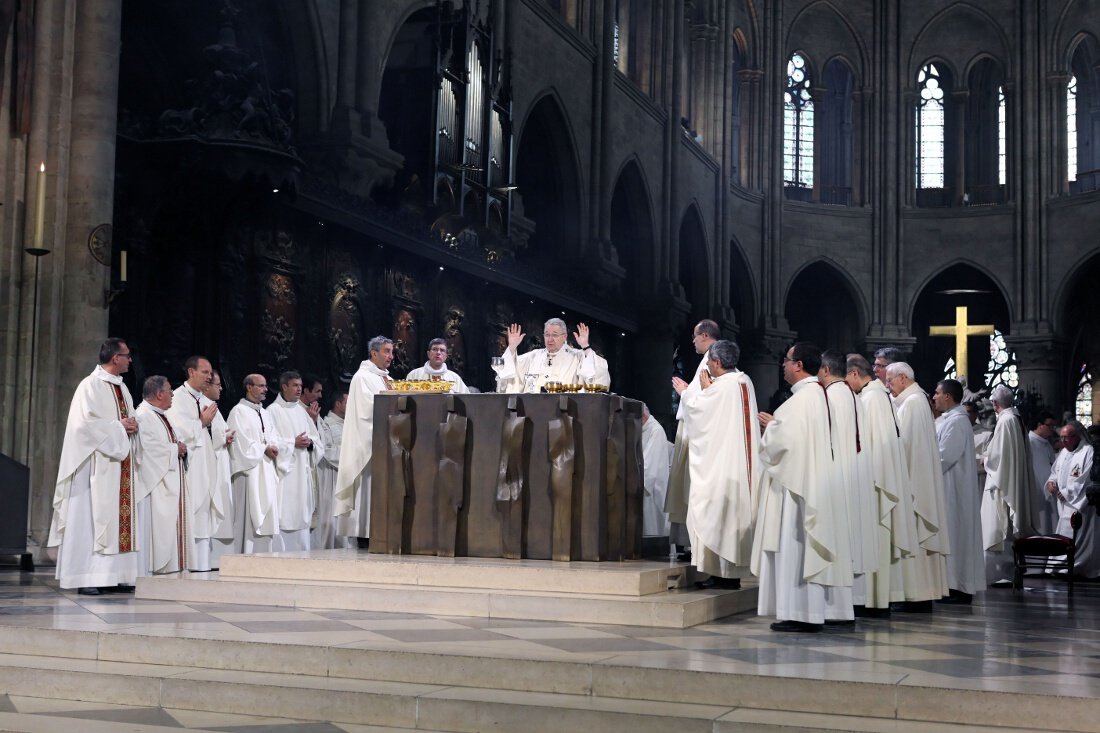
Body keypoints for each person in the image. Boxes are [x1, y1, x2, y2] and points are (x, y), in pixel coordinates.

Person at [753, 342, 852, 633]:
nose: (782, 365)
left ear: (798, 365)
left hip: (798, 491)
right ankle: (805, 611)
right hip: (811, 482)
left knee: (796, 545)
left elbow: (784, 443)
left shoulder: (804, 399)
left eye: (786, 360)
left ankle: (801, 612)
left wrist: (770, 427)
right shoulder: (815, 396)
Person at [48, 338, 141, 595]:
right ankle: (86, 576)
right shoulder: (89, 386)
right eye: (127, 355)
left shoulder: (122, 388)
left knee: (117, 519)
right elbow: (83, 426)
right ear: (115, 358)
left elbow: (129, 419)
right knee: (89, 519)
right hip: (93, 467)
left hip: (118, 465)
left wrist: (132, 426)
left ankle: (115, 574)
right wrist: (119, 427)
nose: (130, 360)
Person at [682, 340, 759, 587]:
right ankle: (728, 575)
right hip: (739, 464)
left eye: (710, 364)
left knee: (717, 514)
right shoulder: (744, 381)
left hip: (722, 464)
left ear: (716, 362)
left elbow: (698, 414)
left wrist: (695, 392)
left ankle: (722, 575)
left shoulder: (719, 388)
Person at [845, 354, 914, 616]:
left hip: (873, 482)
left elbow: (867, 445)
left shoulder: (872, 399)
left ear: (854, 374)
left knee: (873, 539)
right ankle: (873, 598)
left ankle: (871, 600)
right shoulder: (877, 395)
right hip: (876, 478)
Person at [885, 362, 949, 611]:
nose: (888, 386)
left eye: (890, 381)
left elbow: (906, 446)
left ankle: (919, 595)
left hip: (914, 482)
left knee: (916, 535)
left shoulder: (913, 403)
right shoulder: (914, 401)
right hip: (915, 477)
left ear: (903, 378)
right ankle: (918, 594)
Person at [819, 350, 878, 621]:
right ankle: (853, 601)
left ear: (825, 370)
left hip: (836, 479)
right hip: (853, 476)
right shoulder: (853, 396)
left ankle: (836, 608)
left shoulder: (831, 396)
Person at [666, 319, 721, 555]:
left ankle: (693, 543)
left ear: (705, 336)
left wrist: (685, 392)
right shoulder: (707, 360)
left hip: (699, 436)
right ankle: (688, 542)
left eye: (695, 336)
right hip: (693, 429)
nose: (693, 340)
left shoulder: (713, 360)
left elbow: (707, 402)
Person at [335, 336, 395, 545]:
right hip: (367, 446)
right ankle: (364, 535)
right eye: (386, 351)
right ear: (374, 353)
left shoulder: (385, 378)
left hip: (384, 443)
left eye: (391, 352)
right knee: (367, 491)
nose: (391, 356)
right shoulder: (362, 378)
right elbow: (367, 410)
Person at [165, 355, 221, 570]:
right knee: (191, 510)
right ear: (191, 372)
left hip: (206, 463)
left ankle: (202, 563)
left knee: (204, 510)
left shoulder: (207, 401)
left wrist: (219, 433)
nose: (209, 377)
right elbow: (176, 431)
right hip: (190, 465)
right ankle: (187, 561)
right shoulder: (177, 398)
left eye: (210, 373)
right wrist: (201, 423)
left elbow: (216, 431)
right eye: (205, 372)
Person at [931, 379, 984, 604]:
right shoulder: (948, 420)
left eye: (937, 392)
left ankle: (958, 586)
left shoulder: (957, 422)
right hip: (947, 486)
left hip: (953, 488)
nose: (934, 397)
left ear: (948, 396)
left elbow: (945, 456)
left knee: (955, 535)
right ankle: (950, 585)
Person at [134, 376, 192, 574]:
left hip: (167, 479)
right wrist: (175, 449)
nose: (172, 394)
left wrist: (178, 448)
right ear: (159, 394)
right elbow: (147, 450)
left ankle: (169, 564)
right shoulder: (143, 415)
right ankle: (149, 568)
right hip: (154, 485)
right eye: (169, 390)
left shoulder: (159, 414)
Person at [981, 385, 1035, 587]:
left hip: (1000, 484)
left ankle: (998, 575)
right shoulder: (1017, 419)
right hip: (1009, 479)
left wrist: (985, 460)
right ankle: (1008, 573)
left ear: (995, 404)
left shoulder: (1005, 421)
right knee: (1004, 529)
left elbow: (997, 458)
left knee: (997, 527)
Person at [267, 371, 324, 551]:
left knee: (302, 517)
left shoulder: (301, 411)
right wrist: (293, 442)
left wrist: (310, 445)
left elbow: (317, 441)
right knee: (285, 515)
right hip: (286, 475)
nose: (299, 389)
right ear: (284, 387)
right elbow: (270, 443)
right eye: (295, 385)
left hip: (302, 472)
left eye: (300, 385)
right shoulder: (273, 411)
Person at [226, 374, 283, 552]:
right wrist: (263, 448)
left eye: (266, 386)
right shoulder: (238, 412)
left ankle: (263, 556)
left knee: (266, 515)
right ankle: (244, 555)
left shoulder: (264, 413)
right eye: (261, 386)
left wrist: (273, 446)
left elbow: (273, 435)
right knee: (248, 517)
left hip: (265, 469)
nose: (265, 389)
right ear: (249, 387)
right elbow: (240, 442)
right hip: (248, 472)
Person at [492, 318, 610, 393]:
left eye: (555, 335)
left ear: (564, 336)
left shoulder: (577, 356)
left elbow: (597, 373)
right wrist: (512, 347)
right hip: (533, 411)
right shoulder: (534, 356)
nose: (550, 339)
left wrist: (585, 346)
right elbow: (510, 372)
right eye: (547, 334)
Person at [1046, 421, 1100, 577]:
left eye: (1067, 437)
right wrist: (1051, 482)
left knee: (1077, 534)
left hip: (1078, 503)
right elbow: (1055, 471)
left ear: (1077, 436)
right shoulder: (1064, 452)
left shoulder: (1088, 451)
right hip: (1063, 502)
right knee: (1064, 533)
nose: (1063, 441)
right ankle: (1061, 567)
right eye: (1061, 437)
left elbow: (1087, 478)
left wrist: (1067, 492)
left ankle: (1078, 567)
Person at [201, 369, 237, 566]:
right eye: (217, 384)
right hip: (209, 468)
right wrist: (224, 437)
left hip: (221, 465)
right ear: (207, 385)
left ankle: (218, 560)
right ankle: (210, 559)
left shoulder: (214, 407)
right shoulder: (204, 406)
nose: (221, 388)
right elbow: (204, 435)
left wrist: (226, 436)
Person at [317, 389, 349, 549]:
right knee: (330, 517)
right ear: (338, 404)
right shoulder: (326, 424)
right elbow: (326, 451)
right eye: (347, 402)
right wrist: (352, 456)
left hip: (347, 476)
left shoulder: (350, 425)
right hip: (331, 476)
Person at [639, 404, 672, 538]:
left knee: (652, 522)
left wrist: (638, 479)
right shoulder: (643, 429)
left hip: (652, 488)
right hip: (645, 484)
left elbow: (649, 465)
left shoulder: (656, 430)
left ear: (642, 417)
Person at [1028, 412, 1058, 535]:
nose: (1052, 430)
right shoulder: (1028, 442)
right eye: (1050, 426)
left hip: (1049, 490)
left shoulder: (1046, 443)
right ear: (1040, 425)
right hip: (1036, 491)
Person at [406, 338, 470, 393]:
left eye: (442, 350)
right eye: (434, 349)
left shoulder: (454, 378)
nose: (438, 353)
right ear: (428, 354)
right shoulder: (414, 375)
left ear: (446, 356)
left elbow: (466, 400)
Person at [965, 402, 993, 493]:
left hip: (979, 480)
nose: (965, 415)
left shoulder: (987, 435)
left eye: (968, 412)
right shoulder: (956, 433)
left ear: (975, 414)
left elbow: (988, 458)